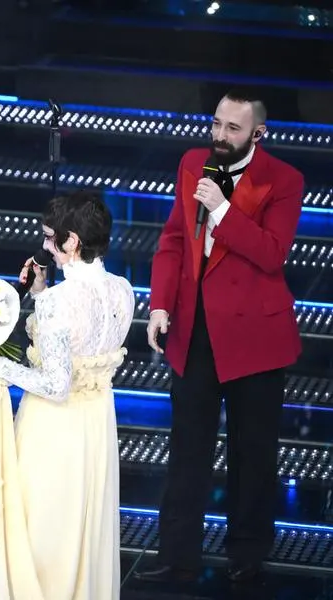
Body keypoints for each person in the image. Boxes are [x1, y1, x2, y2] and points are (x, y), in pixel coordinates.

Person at [134, 91, 304, 584]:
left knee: (252, 452)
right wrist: (161, 304)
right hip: (195, 330)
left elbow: (272, 254)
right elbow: (172, 240)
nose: (220, 136)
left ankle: (247, 558)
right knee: (188, 449)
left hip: (255, 335)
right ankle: (176, 556)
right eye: (216, 124)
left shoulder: (284, 180)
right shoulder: (193, 163)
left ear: (258, 133)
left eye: (232, 128)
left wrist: (224, 210)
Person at [0, 190, 134, 600]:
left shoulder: (59, 302)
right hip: (96, 424)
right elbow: (85, 345)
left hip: (55, 430)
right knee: (82, 523)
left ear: (71, 241)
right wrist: (39, 292)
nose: (44, 246)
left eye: (49, 237)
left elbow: (55, 385)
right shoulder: (123, 289)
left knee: (44, 532)